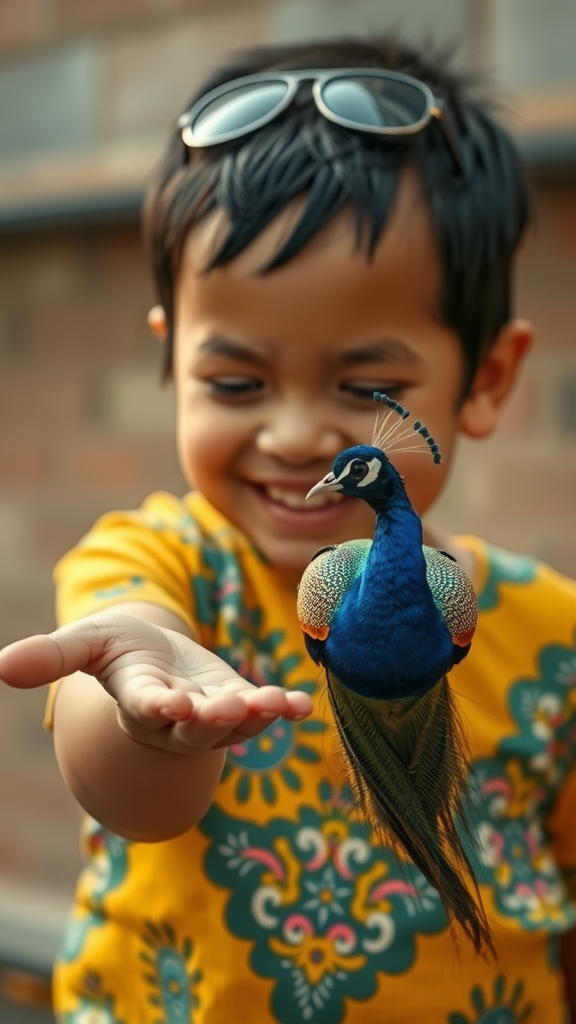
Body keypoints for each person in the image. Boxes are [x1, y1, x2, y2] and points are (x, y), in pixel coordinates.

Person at [1, 35, 576, 1024]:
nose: (298, 432)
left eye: (365, 386)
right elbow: (133, 793)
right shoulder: (157, 565)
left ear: (485, 378)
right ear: (172, 359)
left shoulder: (551, 631)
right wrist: (148, 709)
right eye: (236, 380)